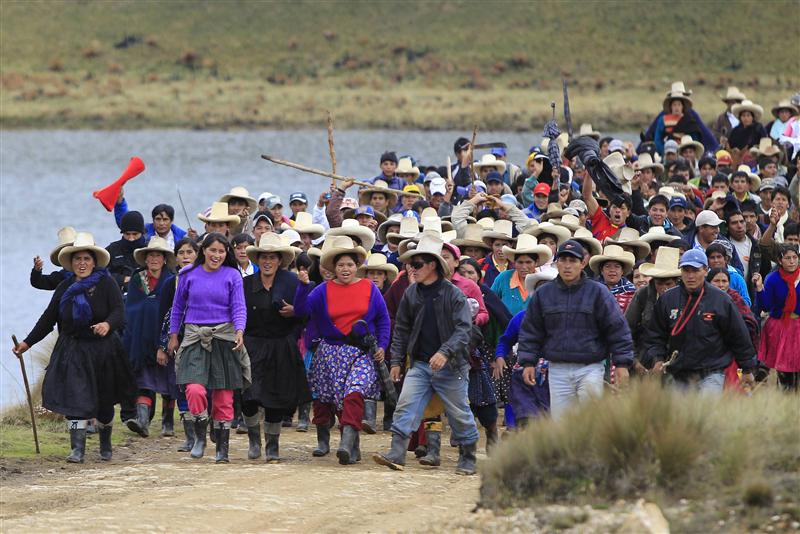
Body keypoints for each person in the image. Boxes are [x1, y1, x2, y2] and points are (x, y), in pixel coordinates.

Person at [14, 233, 136, 463]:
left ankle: (105, 442)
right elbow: (48, 319)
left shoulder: (107, 283)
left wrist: (107, 324)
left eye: (86, 259)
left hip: (103, 350)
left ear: (94, 261)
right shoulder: (64, 288)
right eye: (77, 259)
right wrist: (27, 343)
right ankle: (77, 448)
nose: (81, 263)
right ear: (71, 263)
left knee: (104, 402)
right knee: (74, 400)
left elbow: (119, 312)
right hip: (73, 350)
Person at [373, 234, 479, 475]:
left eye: (417, 264)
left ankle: (468, 456)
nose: (412, 269)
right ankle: (397, 453)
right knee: (405, 406)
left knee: (459, 412)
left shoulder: (454, 295)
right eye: (411, 264)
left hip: (452, 366)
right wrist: (397, 361)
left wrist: (445, 352)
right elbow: (401, 329)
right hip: (420, 363)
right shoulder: (412, 294)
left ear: (432, 265)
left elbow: (465, 330)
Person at [294, 236, 390, 465]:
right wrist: (302, 285)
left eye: (349, 264)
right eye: (340, 265)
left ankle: (346, 442)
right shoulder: (321, 290)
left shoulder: (370, 288)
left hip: (361, 353)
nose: (345, 269)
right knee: (328, 400)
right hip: (330, 353)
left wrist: (383, 347)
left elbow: (384, 320)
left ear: (357, 266)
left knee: (354, 393)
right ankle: (347, 445)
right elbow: (301, 311)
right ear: (333, 268)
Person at [516, 240, 633, 420]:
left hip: (590, 367)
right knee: (560, 424)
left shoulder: (598, 292)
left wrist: (622, 364)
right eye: (563, 260)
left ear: (583, 263)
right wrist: (528, 362)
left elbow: (617, 329)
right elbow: (531, 331)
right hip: (557, 368)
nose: (567, 266)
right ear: (557, 263)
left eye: (573, 260)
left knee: (590, 420)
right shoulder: (543, 294)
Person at [167, 233, 249, 463]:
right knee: (194, 390)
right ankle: (200, 436)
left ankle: (222, 449)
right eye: (213, 250)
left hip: (224, 338)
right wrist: (173, 336)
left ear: (227, 253)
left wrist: (240, 331)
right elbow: (177, 308)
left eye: (222, 251)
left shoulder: (233, 275)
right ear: (204, 251)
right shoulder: (188, 274)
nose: (217, 255)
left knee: (224, 397)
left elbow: (239, 308)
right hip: (194, 337)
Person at [644, 249, 757, 393]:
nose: (690, 276)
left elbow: (739, 336)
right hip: (677, 373)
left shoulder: (721, 300)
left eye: (695, 270)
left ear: (705, 270)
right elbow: (654, 335)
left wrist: (747, 369)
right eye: (686, 270)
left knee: (706, 415)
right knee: (679, 416)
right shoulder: (667, 299)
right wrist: (656, 359)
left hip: (712, 372)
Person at [240, 234, 310, 462]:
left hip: (282, 345)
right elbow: (238, 313)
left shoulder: (291, 282)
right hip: (252, 345)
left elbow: (307, 312)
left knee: (275, 398)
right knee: (248, 396)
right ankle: (253, 440)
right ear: (258, 259)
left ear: (280, 261)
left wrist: (295, 311)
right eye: (264, 257)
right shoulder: (247, 284)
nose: (268, 261)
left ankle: (272, 446)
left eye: (272, 257)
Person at [124, 236, 178, 438]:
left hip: (165, 337)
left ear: (164, 259)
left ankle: (167, 421)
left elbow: (174, 309)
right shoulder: (137, 280)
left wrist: (165, 342)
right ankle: (143, 421)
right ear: (145, 259)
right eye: (150, 255)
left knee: (168, 382)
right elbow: (131, 308)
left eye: (158, 255)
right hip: (141, 338)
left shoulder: (172, 280)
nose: (154, 259)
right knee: (144, 380)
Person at [156, 237, 199, 452]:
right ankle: (190, 436)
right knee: (180, 386)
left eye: (189, 252)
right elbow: (163, 316)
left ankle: (204, 431)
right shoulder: (168, 284)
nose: (185, 257)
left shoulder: (205, 279)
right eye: (181, 253)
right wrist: (162, 346)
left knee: (200, 387)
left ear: (197, 255)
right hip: (177, 343)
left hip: (201, 341)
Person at [625, 247, 682, 373]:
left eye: (668, 284)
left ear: (676, 282)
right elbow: (627, 331)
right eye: (659, 284)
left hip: (677, 361)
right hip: (643, 359)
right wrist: (634, 361)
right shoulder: (643, 295)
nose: (663, 288)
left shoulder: (685, 297)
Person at [753, 244, 800, 391]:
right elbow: (766, 306)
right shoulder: (773, 279)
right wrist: (760, 288)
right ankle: (785, 404)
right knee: (785, 373)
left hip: (798, 326)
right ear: (780, 261)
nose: (792, 261)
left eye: (794, 257)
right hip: (780, 328)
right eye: (787, 258)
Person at [490, 235, 553, 315]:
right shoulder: (503, 278)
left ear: (536, 262)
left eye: (528, 262)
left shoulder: (542, 283)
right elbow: (490, 302)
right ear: (514, 263)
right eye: (520, 262)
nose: (524, 267)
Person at [106, 210, 146, 293]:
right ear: (122, 233)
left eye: (135, 234)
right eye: (127, 234)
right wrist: (122, 279)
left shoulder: (150, 249)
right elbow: (100, 273)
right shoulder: (112, 250)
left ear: (142, 233)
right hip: (118, 295)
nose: (131, 238)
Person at [589, 244, 637, 312]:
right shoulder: (592, 289)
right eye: (607, 266)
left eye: (617, 267)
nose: (612, 270)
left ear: (622, 271)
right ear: (602, 270)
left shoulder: (631, 291)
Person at [31, 226, 75, 291]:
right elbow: (38, 282)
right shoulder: (60, 277)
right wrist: (37, 270)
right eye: (66, 255)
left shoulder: (92, 273)